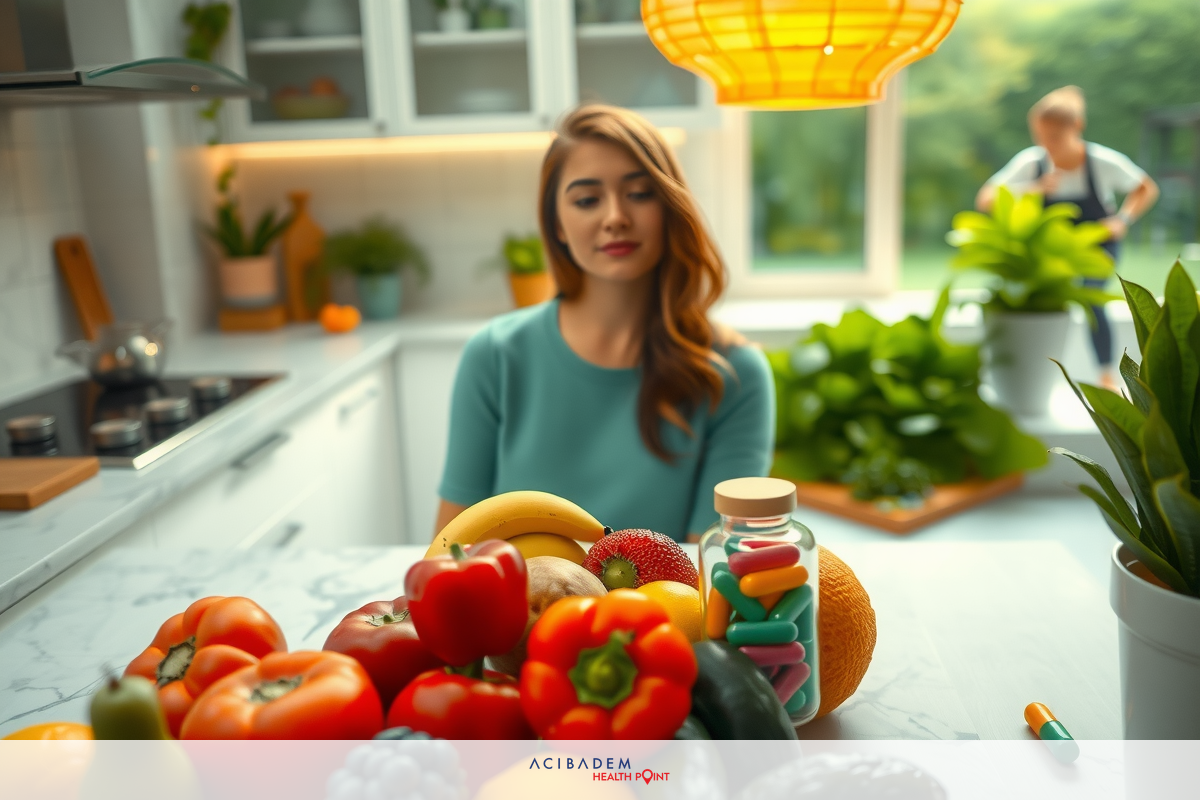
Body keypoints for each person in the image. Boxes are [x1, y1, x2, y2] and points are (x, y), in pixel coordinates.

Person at [434, 105, 775, 542]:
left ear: (670, 208)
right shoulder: (494, 355)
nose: (615, 216)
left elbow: (712, 573)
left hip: (663, 611)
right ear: (557, 224)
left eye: (639, 193)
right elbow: (449, 552)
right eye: (587, 200)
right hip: (513, 611)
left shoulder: (735, 375)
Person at [976, 86, 1159, 388]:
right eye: (1041, 137)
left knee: (1091, 298)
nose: (1048, 145)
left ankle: (1106, 378)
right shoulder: (1032, 163)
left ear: (1077, 128)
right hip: (1051, 251)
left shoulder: (1100, 161)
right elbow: (985, 200)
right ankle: (1038, 375)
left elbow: (1146, 188)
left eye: (1055, 137)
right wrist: (1032, 188)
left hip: (1096, 245)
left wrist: (1122, 220)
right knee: (1037, 298)